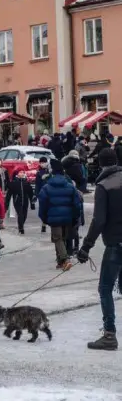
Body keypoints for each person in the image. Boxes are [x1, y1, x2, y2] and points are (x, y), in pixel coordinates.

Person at [77, 149, 122, 351]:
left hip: (116, 244)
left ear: (101, 165)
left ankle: (109, 335)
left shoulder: (104, 186)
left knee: (105, 288)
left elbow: (99, 220)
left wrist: (86, 246)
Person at [38, 159, 81, 271]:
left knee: (57, 238)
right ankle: (60, 262)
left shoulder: (46, 187)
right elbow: (77, 204)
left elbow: (42, 204)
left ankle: (65, 260)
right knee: (63, 238)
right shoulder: (70, 186)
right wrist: (75, 217)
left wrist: (44, 218)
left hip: (53, 218)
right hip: (68, 217)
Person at [5, 170, 34, 235]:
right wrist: (6, 204)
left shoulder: (26, 182)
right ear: (17, 174)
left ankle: (21, 225)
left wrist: (32, 203)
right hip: (17, 201)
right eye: (20, 172)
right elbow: (9, 194)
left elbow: (30, 193)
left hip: (25, 201)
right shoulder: (13, 182)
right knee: (20, 214)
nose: (22, 173)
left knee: (25, 215)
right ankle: (21, 228)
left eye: (23, 172)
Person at [35, 157, 51, 233]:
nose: (42, 164)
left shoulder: (50, 170)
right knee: (42, 210)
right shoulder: (38, 172)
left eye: (43, 162)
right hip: (42, 194)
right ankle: (43, 223)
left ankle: (49, 224)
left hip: (50, 193)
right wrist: (36, 194)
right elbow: (37, 184)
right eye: (41, 163)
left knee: (50, 209)